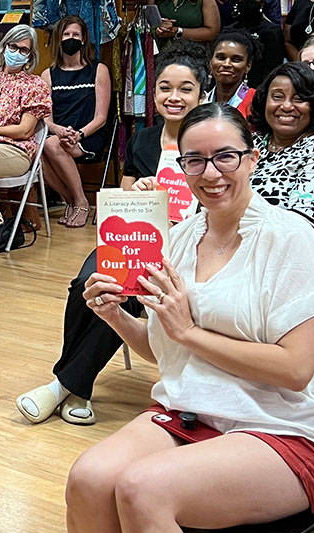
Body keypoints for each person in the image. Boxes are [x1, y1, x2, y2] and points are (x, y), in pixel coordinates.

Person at [29, 102, 314, 533]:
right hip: (195, 415)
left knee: (145, 490)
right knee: (89, 478)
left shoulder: (288, 237)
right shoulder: (177, 236)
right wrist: (118, 317)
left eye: (224, 155)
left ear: (252, 158)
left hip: (283, 429)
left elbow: (296, 368)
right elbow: (167, 354)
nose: (210, 171)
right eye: (195, 158)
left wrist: (190, 331)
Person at [18, 54, 211, 427]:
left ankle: (67, 386)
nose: (174, 96)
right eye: (165, 88)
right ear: (152, 94)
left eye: (185, 89)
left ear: (202, 95)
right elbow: (122, 208)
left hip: (190, 244)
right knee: (89, 285)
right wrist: (141, 193)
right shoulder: (143, 140)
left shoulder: (208, 141)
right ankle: (75, 384)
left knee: (128, 291)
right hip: (137, 240)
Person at [249, 61, 314, 294]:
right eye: (277, 97)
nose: (286, 106)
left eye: (298, 99)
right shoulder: (251, 146)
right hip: (243, 255)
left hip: (312, 265)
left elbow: (299, 223)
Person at [0, 23, 50, 231]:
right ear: (4, 47)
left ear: (30, 56)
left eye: (24, 50)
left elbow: (24, 130)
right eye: (13, 47)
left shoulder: (34, 85)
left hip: (15, 150)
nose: (17, 53)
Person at [43, 16, 112, 228]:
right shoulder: (48, 75)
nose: (70, 39)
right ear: (58, 39)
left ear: (83, 40)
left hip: (89, 134)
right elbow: (47, 117)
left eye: (75, 35)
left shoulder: (98, 70)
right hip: (58, 133)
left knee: (51, 144)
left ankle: (81, 201)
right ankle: (71, 200)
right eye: (66, 35)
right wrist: (58, 130)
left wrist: (78, 134)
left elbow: (101, 117)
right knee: (36, 152)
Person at [226, 0, 285, 87]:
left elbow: (273, 68)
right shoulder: (229, 30)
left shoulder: (272, 31)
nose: (249, 2)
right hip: (232, 84)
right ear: (238, 1)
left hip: (261, 86)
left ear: (262, 2)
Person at [209, 29, 257, 113]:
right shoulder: (200, 100)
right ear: (210, 62)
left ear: (248, 66)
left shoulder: (257, 101)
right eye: (221, 58)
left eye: (236, 59)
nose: (226, 64)